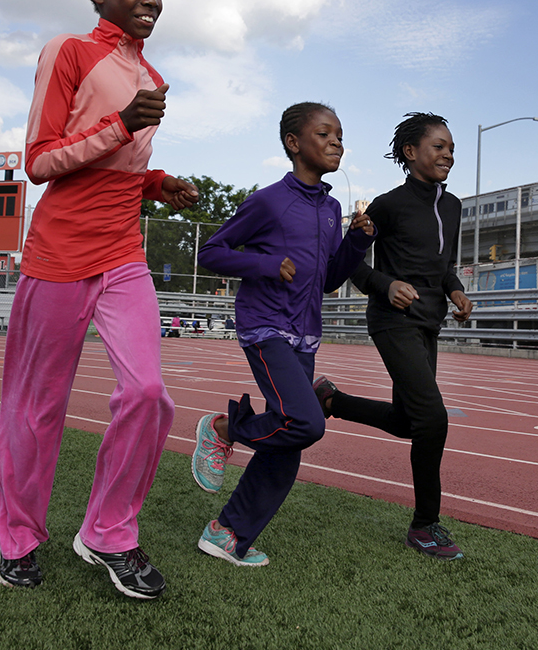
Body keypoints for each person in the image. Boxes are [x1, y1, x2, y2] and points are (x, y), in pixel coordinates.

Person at [0, 0, 199, 599]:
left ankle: (109, 531)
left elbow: (120, 170)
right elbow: (40, 160)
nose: (150, 0)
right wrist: (120, 125)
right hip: (57, 256)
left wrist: (158, 182)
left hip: (122, 254)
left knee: (147, 393)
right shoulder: (71, 51)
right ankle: (17, 539)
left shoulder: (153, 75)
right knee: (36, 408)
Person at [189, 102, 375, 565]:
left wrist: (357, 241)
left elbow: (330, 279)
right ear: (294, 143)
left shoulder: (332, 209)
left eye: (340, 134)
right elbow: (210, 252)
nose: (337, 142)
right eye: (325, 133)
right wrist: (266, 264)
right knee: (306, 422)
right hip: (265, 325)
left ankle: (227, 534)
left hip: (305, 333)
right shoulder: (269, 200)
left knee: (291, 440)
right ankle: (222, 428)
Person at [311, 112, 473, 560]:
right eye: (439, 146)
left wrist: (455, 290)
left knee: (408, 421)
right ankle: (425, 525)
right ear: (411, 152)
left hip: (428, 324)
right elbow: (348, 262)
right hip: (391, 321)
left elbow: (442, 266)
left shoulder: (453, 206)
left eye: (451, 149)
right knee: (434, 421)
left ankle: (331, 401)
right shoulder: (388, 205)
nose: (448, 155)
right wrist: (386, 285)